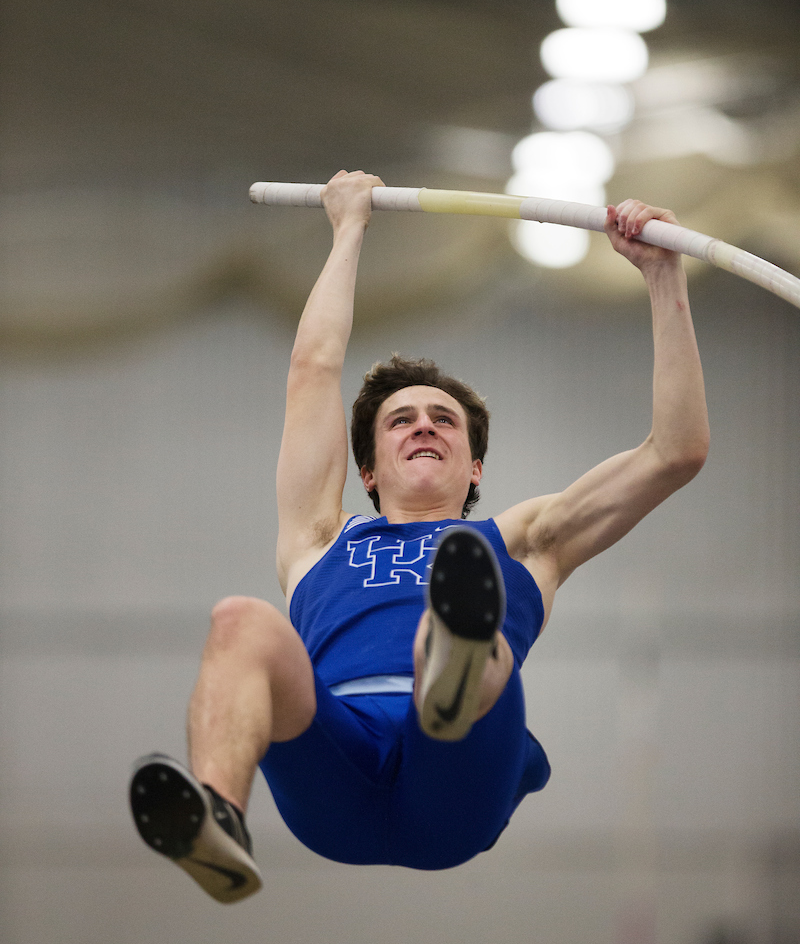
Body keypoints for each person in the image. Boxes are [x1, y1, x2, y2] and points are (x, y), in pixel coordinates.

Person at [129, 170, 709, 903]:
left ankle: (452, 679)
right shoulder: (317, 538)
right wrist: (348, 229)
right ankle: (215, 819)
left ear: (475, 466)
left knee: (465, 600)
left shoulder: (527, 539)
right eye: (401, 420)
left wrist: (664, 279)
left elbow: (675, 452)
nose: (424, 425)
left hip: (456, 791)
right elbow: (313, 370)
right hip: (336, 769)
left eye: (444, 419)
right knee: (238, 622)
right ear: (367, 470)